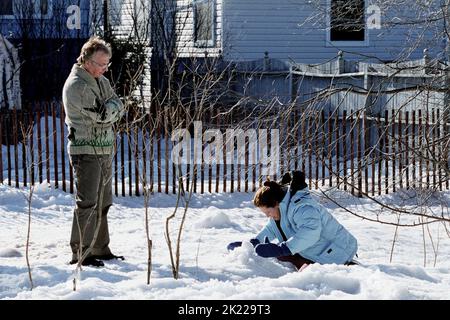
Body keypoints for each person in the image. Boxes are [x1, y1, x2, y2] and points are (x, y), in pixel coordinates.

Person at [63, 36, 125, 267]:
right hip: (85, 149)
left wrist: (112, 109)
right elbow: (101, 116)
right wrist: (111, 110)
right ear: (87, 61)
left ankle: (100, 247)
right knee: (87, 202)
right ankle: (81, 252)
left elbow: (118, 105)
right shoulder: (77, 85)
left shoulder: (101, 81)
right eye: (101, 64)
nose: (105, 68)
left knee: (103, 201)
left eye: (107, 63)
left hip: (104, 148)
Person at [227, 171, 358, 271]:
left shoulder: (302, 207)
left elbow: (310, 233)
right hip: (314, 252)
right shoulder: (281, 209)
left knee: (288, 260)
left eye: (267, 212)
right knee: (279, 257)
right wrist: (253, 243)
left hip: (337, 254)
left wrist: (283, 248)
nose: (268, 216)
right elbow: (271, 228)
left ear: (276, 203)